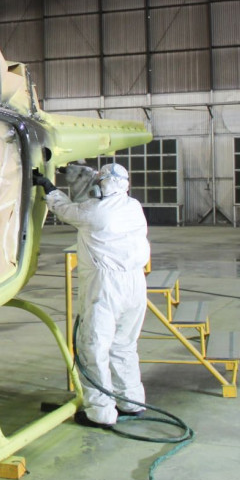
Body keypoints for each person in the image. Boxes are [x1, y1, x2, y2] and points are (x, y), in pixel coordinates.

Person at [32, 163, 151, 429]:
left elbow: (65, 210)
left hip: (106, 287)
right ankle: (131, 401)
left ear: (103, 184)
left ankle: (100, 412)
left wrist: (48, 187)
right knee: (124, 345)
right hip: (135, 283)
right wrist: (79, 172)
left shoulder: (96, 213)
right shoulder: (133, 207)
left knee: (93, 348)